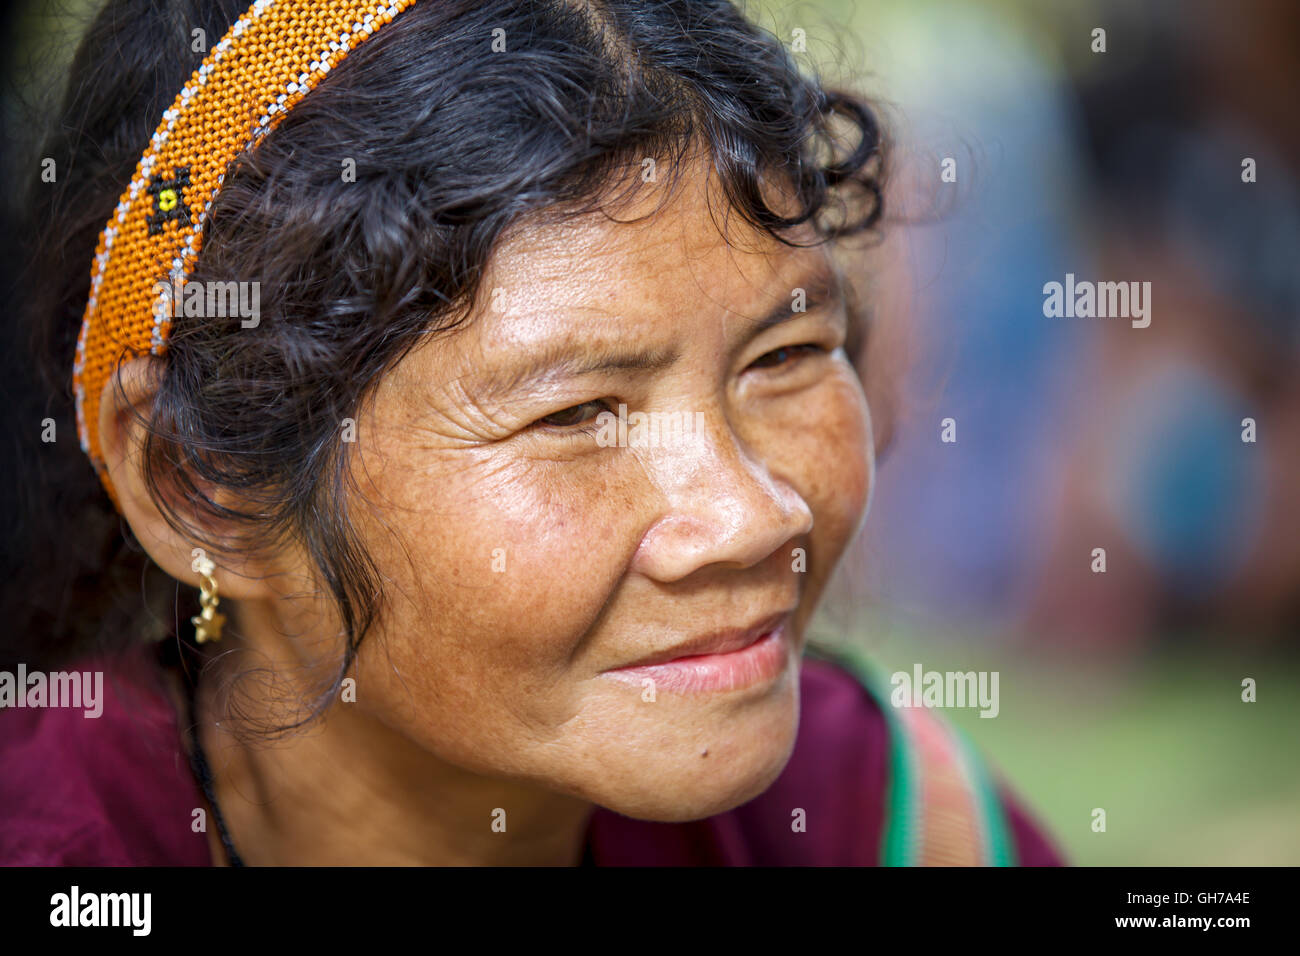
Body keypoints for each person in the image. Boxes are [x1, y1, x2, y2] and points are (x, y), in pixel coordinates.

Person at [0, 0, 1062, 867]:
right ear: (199, 483)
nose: (750, 514)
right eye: (576, 412)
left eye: (782, 357)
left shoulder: (874, 817)